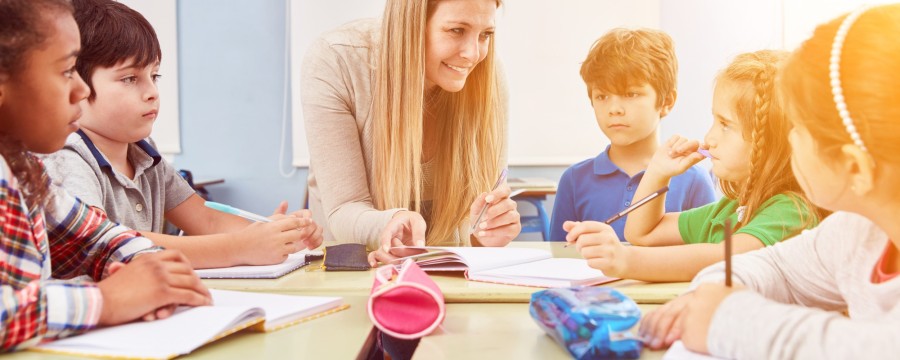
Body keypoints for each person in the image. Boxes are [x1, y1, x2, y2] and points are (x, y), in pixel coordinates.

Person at [640, 5, 900, 357]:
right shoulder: (855, 232)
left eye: (799, 129)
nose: (787, 142)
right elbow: (774, 268)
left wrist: (725, 318)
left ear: (853, 167)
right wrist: (711, 294)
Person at [42, 0, 322, 269]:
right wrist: (239, 247)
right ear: (74, 82)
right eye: (130, 78)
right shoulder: (68, 158)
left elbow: (206, 220)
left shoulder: (144, 153)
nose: (152, 92)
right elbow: (108, 244)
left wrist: (274, 233)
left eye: (155, 76)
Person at [0, 0, 211, 350]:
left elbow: (95, 237)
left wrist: (151, 271)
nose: (82, 91)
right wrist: (105, 301)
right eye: (67, 71)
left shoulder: (24, 170)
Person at [565, 50, 824, 282]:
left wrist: (627, 261)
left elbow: (727, 258)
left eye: (725, 124)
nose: (709, 138)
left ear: (770, 141)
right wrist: (657, 172)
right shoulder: (729, 211)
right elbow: (642, 233)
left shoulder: (793, 211)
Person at [301, 0, 521, 266]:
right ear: (413, 23)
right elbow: (343, 209)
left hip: (447, 274)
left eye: (486, 34)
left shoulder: (488, 77)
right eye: (456, 30)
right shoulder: (337, 60)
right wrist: (391, 222)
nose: (473, 54)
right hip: (351, 270)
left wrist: (488, 233)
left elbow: (478, 224)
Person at [549, 28, 716, 243]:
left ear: (666, 102)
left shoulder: (693, 180)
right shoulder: (574, 180)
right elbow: (560, 260)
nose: (614, 109)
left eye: (630, 94)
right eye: (602, 96)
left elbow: (707, 258)